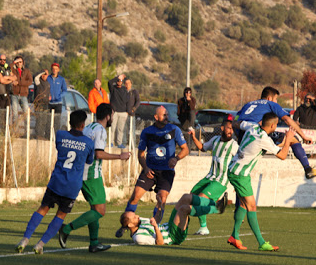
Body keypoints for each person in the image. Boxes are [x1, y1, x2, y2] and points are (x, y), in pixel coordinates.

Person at [15, 110, 95, 255]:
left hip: (57, 181)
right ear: (83, 125)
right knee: (60, 215)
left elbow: (60, 148)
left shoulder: (60, 135)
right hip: (72, 186)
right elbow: (89, 161)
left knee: (42, 209)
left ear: (70, 122)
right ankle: (40, 244)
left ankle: (25, 240)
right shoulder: (89, 143)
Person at [58, 103, 130, 252]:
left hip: (80, 171)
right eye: (113, 115)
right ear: (108, 116)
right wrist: (120, 156)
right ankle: (66, 229)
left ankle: (94, 243)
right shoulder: (100, 131)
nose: (113, 119)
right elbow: (98, 153)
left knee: (94, 209)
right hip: (91, 174)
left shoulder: (88, 127)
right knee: (100, 211)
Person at [116, 105, 189, 237]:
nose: (167, 117)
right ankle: (125, 226)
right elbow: (140, 154)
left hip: (166, 172)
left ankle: (154, 229)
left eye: (167, 115)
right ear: (156, 117)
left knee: (162, 199)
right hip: (150, 170)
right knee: (135, 196)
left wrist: (176, 159)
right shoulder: (147, 132)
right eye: (164, 115)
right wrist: (146, 168)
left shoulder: (174, 129)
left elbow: (185, 149)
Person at [227, 112, 296, 252]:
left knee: (245, 205)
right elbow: (283, 155)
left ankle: (234, 236)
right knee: (252, 206)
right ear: (272, 125)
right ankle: (261, 242)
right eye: (276, 125)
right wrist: (288, 139)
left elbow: (238, 124)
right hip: (240, 174)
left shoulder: (252, 127)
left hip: (234, 170)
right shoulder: (264, 139)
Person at [235, 86, 316, 179]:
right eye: (276, 99)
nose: (276, 102)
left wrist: (239, 137)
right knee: (293, 139)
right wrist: (303, 136)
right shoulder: (270, 103)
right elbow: (287, 119)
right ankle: (308, 169)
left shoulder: (248, 104)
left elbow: (235, 121)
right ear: (270, 98)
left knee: (241, 171)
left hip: (244, 137)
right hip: (258, 135)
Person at [187, 118, 239, 235]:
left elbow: (240, 163)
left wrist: (237, 183)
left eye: (232, 129)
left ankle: (215, 209)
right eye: (229, 128)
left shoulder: (234, 145)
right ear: (222, 128)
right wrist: (194, 137)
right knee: (191, 197)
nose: (231, 131)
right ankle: (205, 225)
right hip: (209, 177)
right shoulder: (215, 140)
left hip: (221, 181)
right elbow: (202, 147)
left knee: (201, 198)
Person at [119, 191, 227, 246]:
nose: (137, 216)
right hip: (173, 236)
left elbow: (156, 219)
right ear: (130, 225)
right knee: (184, 209)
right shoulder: (138, 238)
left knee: (186, 197)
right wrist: (156, 227)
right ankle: (217, 210)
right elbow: (160, 243)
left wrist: (159, 204)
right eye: (134, 217)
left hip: (169, 225)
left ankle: (217, 204)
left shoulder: (139, 222)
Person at [10, 55, 33, 126]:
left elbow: (29, 81)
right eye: (18, 62)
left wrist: (18, 83)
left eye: (20, 62)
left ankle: (27, 131)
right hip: (14, 94)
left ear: (23, 63)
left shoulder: (27, 71)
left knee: (26, 113)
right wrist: (14, 62)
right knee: (15, 113)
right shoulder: (13, 70)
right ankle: (14, 131)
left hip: (23, 95)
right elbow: (8, 67)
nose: (19, 63)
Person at [108, 74, 128, 148]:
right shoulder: (113, 88)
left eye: (120, 81)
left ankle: (119, 143)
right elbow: (109, 82)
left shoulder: (124, 89)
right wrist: (117, 77)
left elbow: (127, 100)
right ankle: (111, 142)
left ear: (122, 82)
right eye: (118, 81)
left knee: (120, 129)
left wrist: (127, 111)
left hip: (123, 112)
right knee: (112, 128)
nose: (119, 82)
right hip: (115, 112)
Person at [33, 69, 51, 139]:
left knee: (44, 120)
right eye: (43, 74)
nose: (44, 76)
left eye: (45, 74)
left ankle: (42, 135)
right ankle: (38, 135)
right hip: (39, 103)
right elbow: (36, 77)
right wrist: (43, 72)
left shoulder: (48, 83)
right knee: (39, 120)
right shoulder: (38, 82)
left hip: (46, 104)